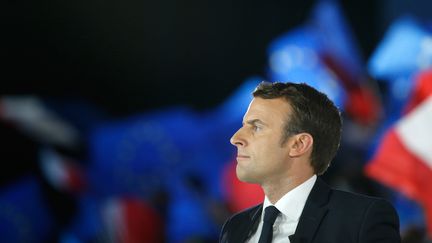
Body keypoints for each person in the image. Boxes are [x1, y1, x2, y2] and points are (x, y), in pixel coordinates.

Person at [220, 82, 400, 243]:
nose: (236, 138)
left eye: (257, 128)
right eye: (244, 126)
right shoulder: (235, 229)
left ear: (299, 144)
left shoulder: (363, 218)